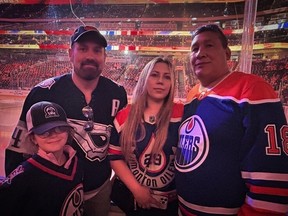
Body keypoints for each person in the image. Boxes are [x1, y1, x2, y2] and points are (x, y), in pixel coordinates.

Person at [5, 25, 128, 216]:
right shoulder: (43, 93)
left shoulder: (117, 93)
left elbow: (119, 145)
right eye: (83, 48)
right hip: (53, 190)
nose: (90, 55)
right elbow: (18, 149)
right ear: (71, 54)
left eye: (97, 50)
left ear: (105, 57)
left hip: (100, 191)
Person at [175, 24, 288, 216]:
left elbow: (273, 175)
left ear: (227, 54)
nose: (200, 53)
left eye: (209, 45)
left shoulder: (253, 90)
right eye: (195, 48)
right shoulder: (192, 94)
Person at [108, 57, 184, 216]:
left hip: (172, 205)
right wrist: (137, 189)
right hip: (131, 201)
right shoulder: (124, 116)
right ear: (144, 79)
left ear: (172, 83)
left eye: (167, 77)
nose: (160, 81)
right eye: (154, 75)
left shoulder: (183, 114)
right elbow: (115, 156)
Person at [0, 101, 84, 216]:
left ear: (67, 131)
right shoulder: (26, 173)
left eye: (59, 128)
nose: (53, 134)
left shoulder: (75, 161)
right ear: (33, 138)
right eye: (44, 132)